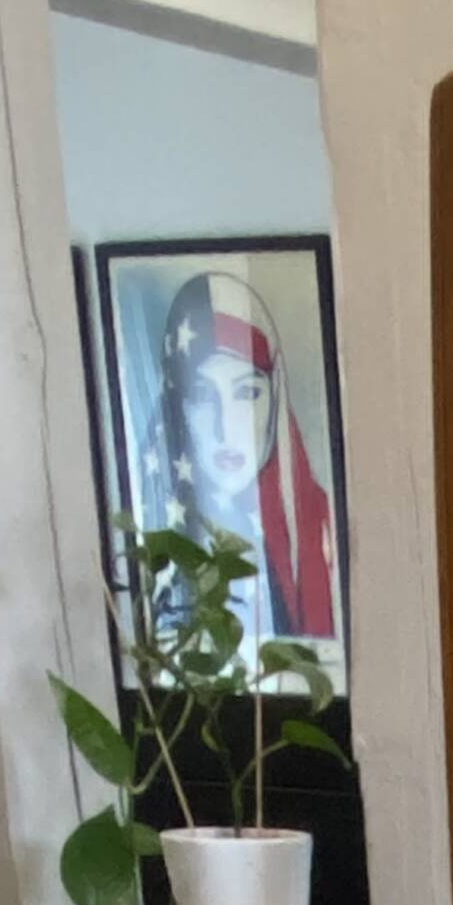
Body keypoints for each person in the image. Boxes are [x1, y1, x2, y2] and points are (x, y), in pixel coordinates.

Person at [145, 261, 340, 655]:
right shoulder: (156, 539)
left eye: (247, 393)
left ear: (275, 400)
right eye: (202, 396)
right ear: (177, 405)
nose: (225, 427)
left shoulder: (321, 530)